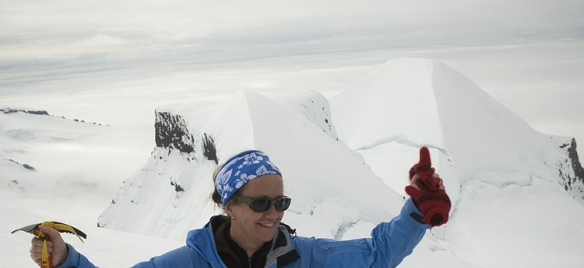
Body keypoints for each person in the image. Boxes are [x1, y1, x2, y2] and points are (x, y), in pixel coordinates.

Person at [29, 148, 450, 268]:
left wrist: (415, 212)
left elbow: (377, 255)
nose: (275, 213)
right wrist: (66, 259)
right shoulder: (187, 263)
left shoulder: (302, 257)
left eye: (281, 202)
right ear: (230, 205)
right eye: (262, 202)